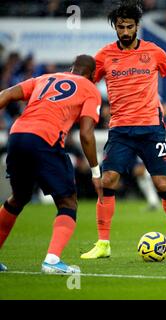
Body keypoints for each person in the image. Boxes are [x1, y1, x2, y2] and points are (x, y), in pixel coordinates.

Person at [80, 1, 166, 260]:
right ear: (115, 27)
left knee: (162, 183)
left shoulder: (153, 52)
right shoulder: (104, 56)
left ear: (137, 26)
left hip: (151, 130)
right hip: (120, 131)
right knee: (107, 180)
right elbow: (87, 84)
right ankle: (103, 244)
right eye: (120, 27)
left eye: (129, 26)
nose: (124, 31)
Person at [0, 55, 103, 273]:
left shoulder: (45, 78)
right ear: (93, 75)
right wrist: (96, 172)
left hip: (17, 135)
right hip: (45, 139)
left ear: (72, 67)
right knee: (67, 202)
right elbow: (86, 133)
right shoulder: (90, 89)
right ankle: (52, 261)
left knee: (19, 197)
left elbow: (6, 95)